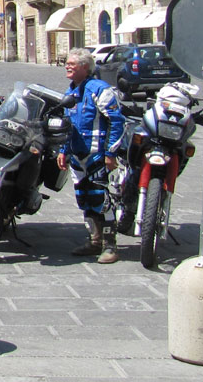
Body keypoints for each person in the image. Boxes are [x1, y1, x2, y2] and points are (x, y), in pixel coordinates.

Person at [57, 48, 124, 264]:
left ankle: (110, 246)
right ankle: (94, 241)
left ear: (85, 67)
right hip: (78, 156)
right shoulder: (70, 92)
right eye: (67, 63)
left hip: (97, 155)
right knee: (84, 199)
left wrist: (110, 153)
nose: (67, 66)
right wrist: (63, 151)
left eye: (72, 63)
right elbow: (68, 125)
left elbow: (117, 121)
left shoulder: (99, 90)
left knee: (101, 199)